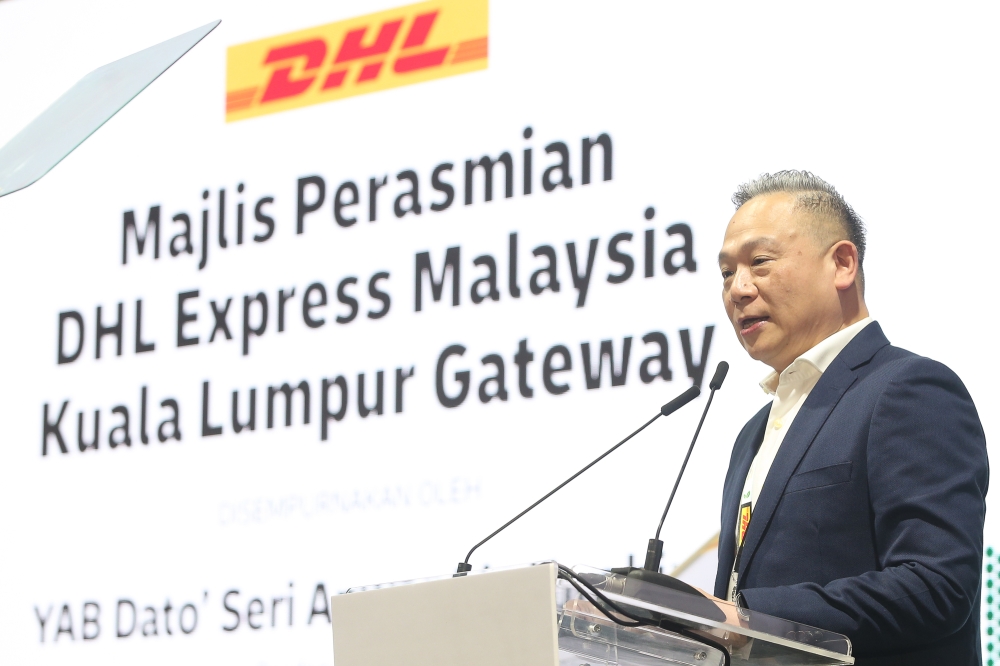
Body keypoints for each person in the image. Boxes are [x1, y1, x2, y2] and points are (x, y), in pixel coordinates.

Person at [711, 171, 989, 665]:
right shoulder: (751, 435)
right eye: (726, 273)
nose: (738, 289)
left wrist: (750, 618)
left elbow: (937, 585)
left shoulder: (909, 388)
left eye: (759, 262)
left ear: (842, 263)